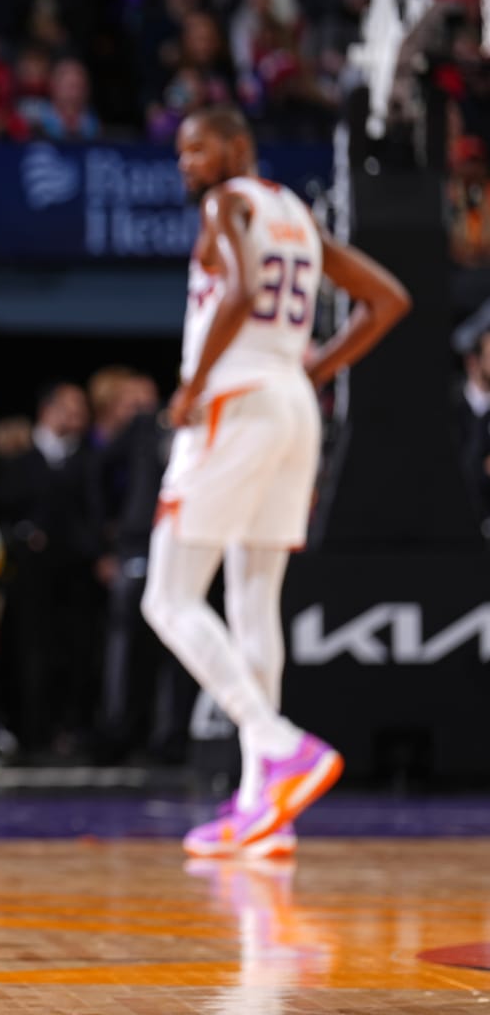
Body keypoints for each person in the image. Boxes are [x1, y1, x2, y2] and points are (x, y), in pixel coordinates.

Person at [143, 106, 409, 858]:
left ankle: (273, 740)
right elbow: (389, 299)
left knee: (167, 596)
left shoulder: (226, 202)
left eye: (197, 147)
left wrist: (191, 387)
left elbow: (237, 293)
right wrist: (314, 371)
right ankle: (269, 809)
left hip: (235, 402)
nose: (186, 162)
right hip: (291, 403)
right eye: (183, 152)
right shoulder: (295, 211)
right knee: (253, 597)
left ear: (237, 145)